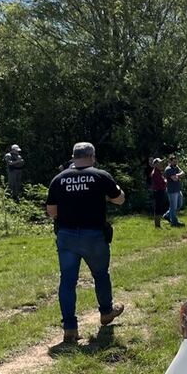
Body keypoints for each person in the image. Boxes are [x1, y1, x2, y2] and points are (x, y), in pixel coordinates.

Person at [45, 142, 125, 345]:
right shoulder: (100, 176)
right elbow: (120, 200)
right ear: (92, 156)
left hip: (66, 235)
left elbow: (51, 212)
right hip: (94, 235)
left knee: (67, 281)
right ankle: (106, 312)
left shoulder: (59, 179)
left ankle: (70, 329)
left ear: (73, 157)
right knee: (101, 275)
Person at [164, 154, 185, 227]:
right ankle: (174, 222)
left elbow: (183, 173)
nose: (175, 162)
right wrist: (179, 175)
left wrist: (177, 175)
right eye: (174, 161)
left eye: (176, 160)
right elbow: (174, 179)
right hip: (172, 191)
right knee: (173, 207)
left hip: (178, 189)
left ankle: (167, 215)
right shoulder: (168, 169)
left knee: (179, 204)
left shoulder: (176, 167)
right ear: (170, 161)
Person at [149, 158, 167, 228]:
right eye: (159, 163)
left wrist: (164, 181)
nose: (161, 164)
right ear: (156, 164)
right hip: (158, 192)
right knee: (158, 208)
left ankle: (158, 225)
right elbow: (161, 184)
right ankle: (157, 225)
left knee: (159, 208)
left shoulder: (158, 172)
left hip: (159, 191)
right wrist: (165, 181)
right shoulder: (155, 173)